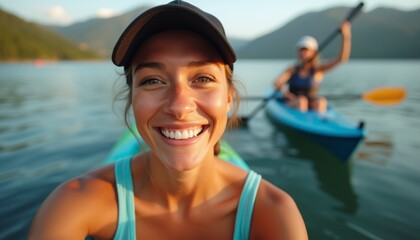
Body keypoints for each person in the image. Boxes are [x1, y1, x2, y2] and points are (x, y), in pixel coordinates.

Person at [28, 1, 308, 239]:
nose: (179, 105)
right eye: (152, 80)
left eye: (203, 78)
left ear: (229, 97)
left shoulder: (274, 213)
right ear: (132, 99)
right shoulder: (74, 202)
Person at [273, 22, 352, 113]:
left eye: (306, 50)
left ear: (313, 52)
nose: (303, 53)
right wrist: (281, 88)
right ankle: (301, 123)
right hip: (294, 103)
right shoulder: (292, 69)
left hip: (310, 104)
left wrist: (346, 36)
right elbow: (277, 82)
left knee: (321, 101)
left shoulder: (318, 70)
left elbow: (342, 59)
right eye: (301, 50)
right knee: (302, 101)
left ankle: (319, 123)